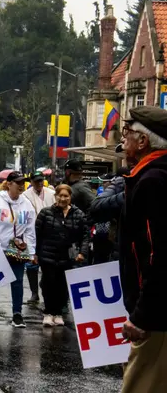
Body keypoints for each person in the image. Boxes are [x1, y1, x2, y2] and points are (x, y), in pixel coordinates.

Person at [116, 107, 167, 393]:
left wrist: (142, 314)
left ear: (143, 141)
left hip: (157, 317)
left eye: (127, 134)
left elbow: (157, 255)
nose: (123, 141)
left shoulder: (152, 182)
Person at [0, 172, 36, 328]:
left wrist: (32, 251)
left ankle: (17, 314)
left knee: (18, 281)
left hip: (17, 249)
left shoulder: (26, 204)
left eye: (23, 183)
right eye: (18, 182)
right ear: (9, 184)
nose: (21, 185)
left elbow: (30, 229)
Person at [35, 184, 89, 327]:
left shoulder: (78, 214)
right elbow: (37, 235)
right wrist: (35, 253)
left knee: (62, 286)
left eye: (66, 196)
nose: (63, 199)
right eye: (60, 195)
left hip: (68, 257)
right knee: (48, 285)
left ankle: (58, 313)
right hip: (47, 256)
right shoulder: (45, 213)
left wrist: (82, 252)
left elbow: (85, 235)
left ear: (71, 198)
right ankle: (48, 313)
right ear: (55, 196)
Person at [22, 171, 55, 304]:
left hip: (49, 234)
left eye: (41, 180)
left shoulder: (51, 194)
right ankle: (34, 293)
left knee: (48, 264)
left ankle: (46, 289)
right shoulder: (25, 195)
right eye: (36, 181)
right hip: (32, 233)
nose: (39, 183)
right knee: (31, 264)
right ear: (31, 182)